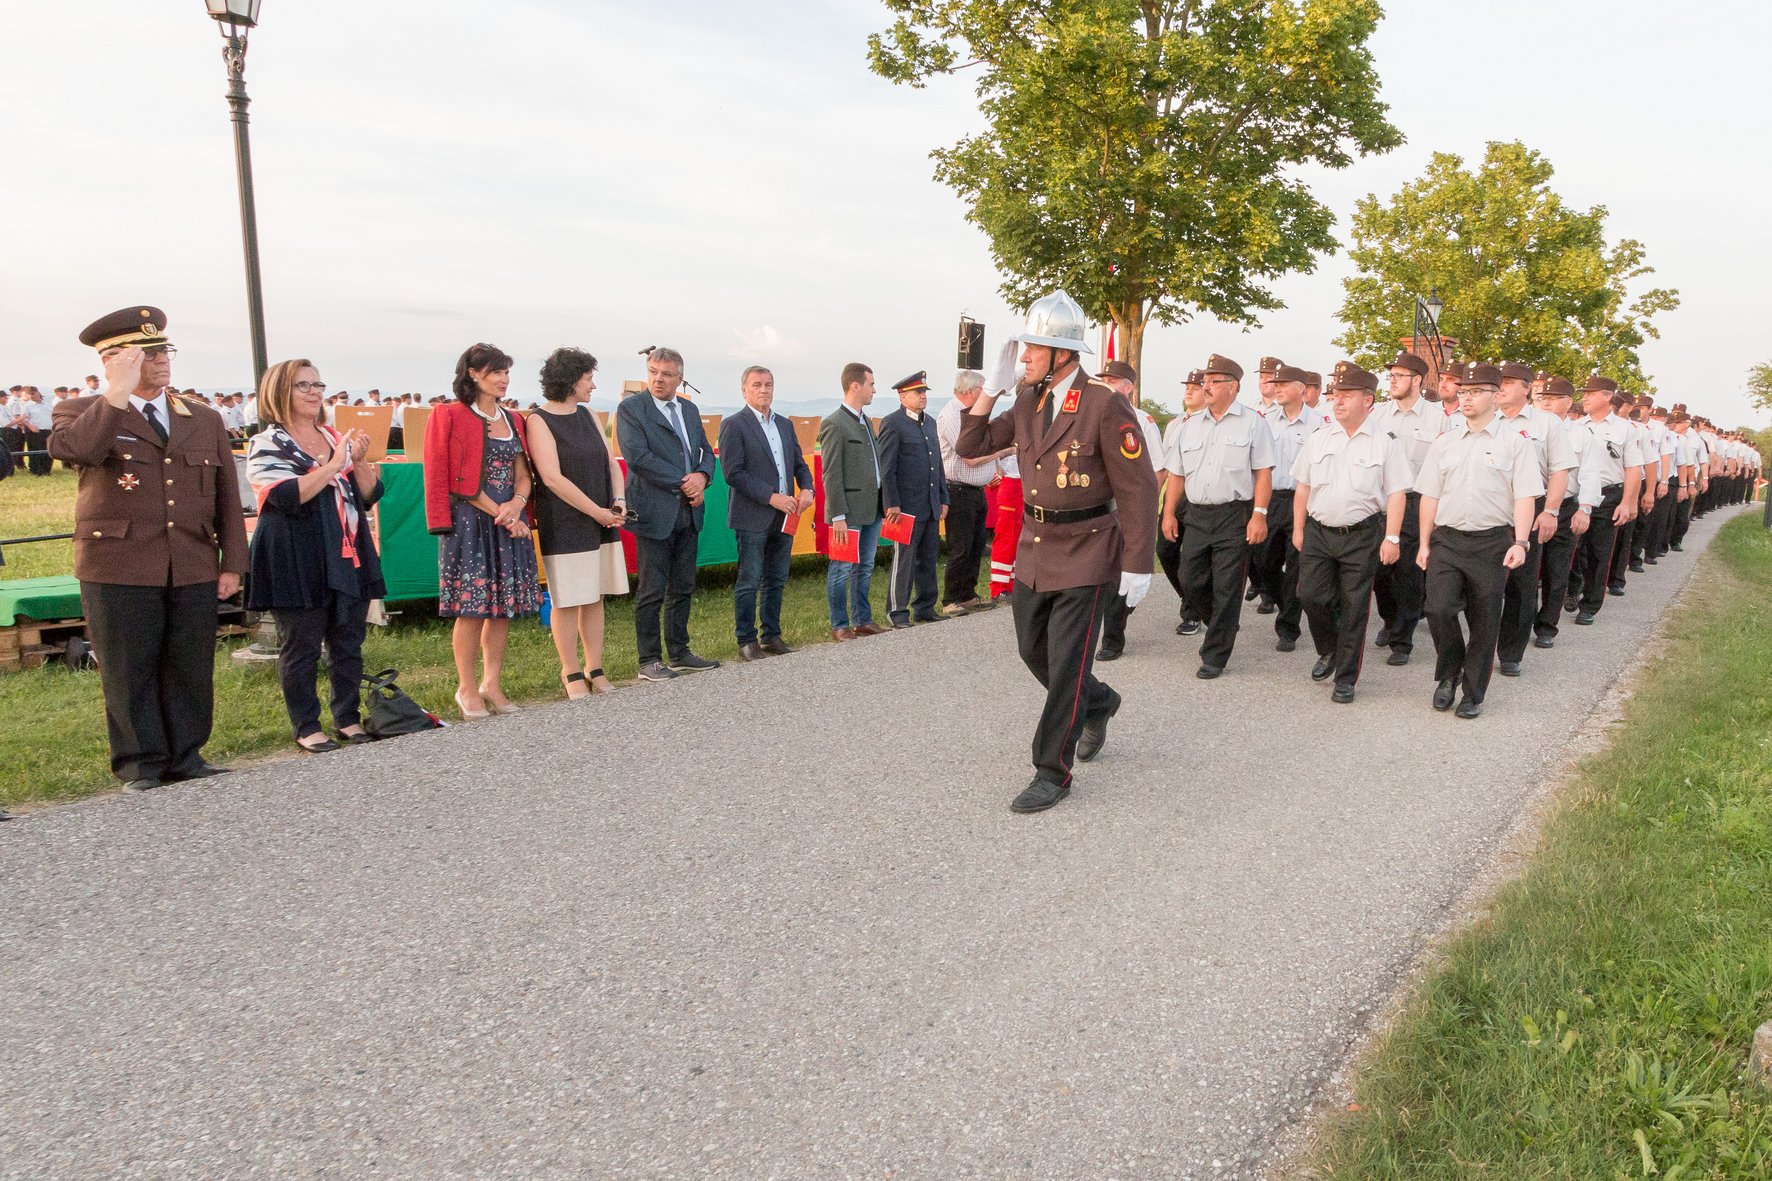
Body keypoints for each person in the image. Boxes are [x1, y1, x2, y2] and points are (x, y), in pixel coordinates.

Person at [957, 290, 1158, 814]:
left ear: (1062, 353)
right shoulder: (1028, 400)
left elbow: (1139, 487)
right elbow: (970, 447)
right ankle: (1100, 701)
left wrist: (1138, 563)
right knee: (1033, 651)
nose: (1023, 356)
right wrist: (992, 389)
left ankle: (1052, 771)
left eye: (1032, 348)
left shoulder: (1102, 403)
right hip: (1036, 547)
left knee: (1067, 665)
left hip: (1089, 550)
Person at [49, 306, 248, 791]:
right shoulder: (82, 412)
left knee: (189, 663)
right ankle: (141, 763)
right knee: (127, 668)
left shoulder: (201, 417)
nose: (162, 360)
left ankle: (187, 755)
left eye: (164, 351)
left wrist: (233, 563)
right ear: (113, 360)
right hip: (118, 562)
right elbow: (77, 451)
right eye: (148, 353)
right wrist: (116, 392)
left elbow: (226, 496)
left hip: (191, 559)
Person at [246, 359, 385, 751]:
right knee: (302, 644)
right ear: (279, 392)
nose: (313, 392)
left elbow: (370, 494)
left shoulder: (333, 436)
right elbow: (285, 495)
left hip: (345, 549)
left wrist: (358, 461)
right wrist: (332, 465)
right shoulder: (266, 443)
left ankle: (347, 718)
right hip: (295, 554)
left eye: (317, 384)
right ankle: (307, 726)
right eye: (302, 385)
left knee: (348, 640)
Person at [1414, 363, 1544, 719]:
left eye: (1475, 392)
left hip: (1491, 542)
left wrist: (1521, 542)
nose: (1466, 398)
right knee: (1438, 609)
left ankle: (1473, 693)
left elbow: (1525, 496)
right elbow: (1430, 495)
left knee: (1485, 621)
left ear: (1495, 395)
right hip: (1448, 540)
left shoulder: (1515, 444)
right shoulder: (1445, 443)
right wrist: (1424, 543)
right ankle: (1449, 673)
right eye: (1463, 392)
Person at [424, 341, 543, 718]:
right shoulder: (449, 414)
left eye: (506, 372)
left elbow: (523, 474)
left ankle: (491, 682)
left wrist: (517, 505)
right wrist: (503, 514)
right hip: (469, 522)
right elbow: (449, 476)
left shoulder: (514, 419)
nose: (504, 379)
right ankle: (465, 687)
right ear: (474, 374)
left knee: (501, 608)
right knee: (472, 608)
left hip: (507, 518)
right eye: (496, 372)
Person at [1290, 362, 1411, 702]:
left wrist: (1392, 537)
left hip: (1361, 534)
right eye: (1335, 394)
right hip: (1318, 531)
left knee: (1355, 606)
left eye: (1346, 395)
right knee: (1310, 596)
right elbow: (1303, 487)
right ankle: (1329, 648)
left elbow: (1397, 492)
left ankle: (1346, 678)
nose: (1337, 400)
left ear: (1368, 400)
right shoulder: (1319, 438)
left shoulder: (1385, 442)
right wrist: (1298, 528)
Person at [1161, 354, 1275, 679]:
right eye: (1205, 381)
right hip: (1196, 513)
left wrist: (1259, 515)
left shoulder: (1253, 423)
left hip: (1233, 515)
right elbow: (1177, 474)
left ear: (1233, 387)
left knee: (1227, 586)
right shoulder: (1189, 426)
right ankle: (1222, 625)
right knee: (1189, 578)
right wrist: (1169, 513)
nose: (1206, 386)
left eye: (1213, 381)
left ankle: (1215, 654)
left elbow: (1263, 473)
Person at [526, 347, 629, 698]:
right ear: (570, 381)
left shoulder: (588, 415)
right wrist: (596, 511)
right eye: (588, 379)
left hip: (602, 516)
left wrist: (618, 501)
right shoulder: (539, 420)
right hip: (565, 520)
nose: (593, 385)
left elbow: (610, 462)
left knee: (595, 595)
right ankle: (570, 671)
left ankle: (594, 668)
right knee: (568, 598)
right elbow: (552, 478)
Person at [614, 346, 720, 680]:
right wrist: (686, 482)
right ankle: (649, 660)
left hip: (688, 512)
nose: (658, 379)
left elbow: (706, 452)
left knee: (683, 586)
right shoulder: (631, 409)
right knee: (651, 590)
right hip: (654, 512)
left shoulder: (689, 410)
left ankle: (680, 652)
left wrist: (702, 477)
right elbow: (638, 458)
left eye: (666, 374)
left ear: (680, 378)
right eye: (653, 372)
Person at [718, 364, 814, 660]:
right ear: (744, 390)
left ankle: (771, 635)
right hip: (752, 515)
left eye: (768, 384)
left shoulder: (784, 424)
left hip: (786, 516)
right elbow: (733, 473)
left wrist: (807, 488)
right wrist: (771, 497)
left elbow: (799, 463)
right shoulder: (734, 425)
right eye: (757, 385)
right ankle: (747, 640)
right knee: (750, 579)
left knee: (777, 578)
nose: (763, 390)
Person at [1493, 362, 1577, 677]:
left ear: (1527, 388)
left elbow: (1560, 470)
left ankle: (1510, 652)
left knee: (1521, 581)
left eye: (1509, 382)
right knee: (1485, 581)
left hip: (1530, 503)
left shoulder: (1546, 424)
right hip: (1490, 505)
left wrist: (1551, 511)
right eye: (1499, 381)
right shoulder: (1485, 417)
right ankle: (1480, 644)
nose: (1501, 387)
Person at [1369, 351, 1449, 665]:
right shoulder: (1378, 415)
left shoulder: (1438, 418)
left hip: (1416, 501)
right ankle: (1390, 620)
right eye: (1391, 375)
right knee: (1379, 572)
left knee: (1408, 574)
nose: (1392, 380)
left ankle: (1402, 640)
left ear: (1416, 380)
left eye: (1399, 376)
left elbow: (1445, 466)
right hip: (1382, 502)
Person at [1095, 359, 1165, 661]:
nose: (1106, 386)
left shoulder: (1141, 421)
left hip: (1126, 510)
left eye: (1112, 381)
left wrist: (1140, 510)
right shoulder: (1091, 415)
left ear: (1128, 388)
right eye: (1104, 380)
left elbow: (1157, 471)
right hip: (1097, 511)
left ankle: (1113, 636)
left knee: (1123, 575)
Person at [1255, 364, 1322, 652]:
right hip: (1271, 500)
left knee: (1296, 566)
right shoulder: (1265, 421)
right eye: (1276, 383)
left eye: (1283, 384)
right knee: (1262, 562)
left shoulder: (1320, 423)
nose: (1277, 387)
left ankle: (1288, 627)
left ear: (1301, 389)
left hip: (1303, 500)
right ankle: (1286, 602)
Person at [819, 362, 888, 641]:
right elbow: (831, 472)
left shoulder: (866, 421)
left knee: (865, 566)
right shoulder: (835, 423)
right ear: (855, 386)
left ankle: (863, 619)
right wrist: (838, 515)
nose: (874, 390)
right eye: (871, 384)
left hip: (871, 508)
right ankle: (839, 624)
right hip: (847, 512)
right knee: (841, 568)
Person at [1567, 376, 1643, 625]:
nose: (1585, 398)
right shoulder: (1575, 426)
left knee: (1598, 552)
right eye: (1584, 393)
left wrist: (1628, 502)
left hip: (1608, 495)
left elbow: (1633, 468)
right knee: (1572, 548)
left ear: (1608, 396)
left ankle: (1590, 605)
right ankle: (1573, 588)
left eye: (1591, 393)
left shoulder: (1626, 429)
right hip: (1577, 494)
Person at [878, 370, 951, 628]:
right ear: (902, 396)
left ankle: (925, 607)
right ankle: (897, 611)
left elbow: (937, 464)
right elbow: (887, 469)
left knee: (928, 558)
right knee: (904, 560)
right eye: (917, 392)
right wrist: (891, 504)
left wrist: (943, 497)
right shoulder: (892, 423)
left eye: (924, 392)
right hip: (905, 506)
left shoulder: (929, 423)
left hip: (929, 503)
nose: (923, 396)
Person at [937, 368, 1007, 614]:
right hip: (958, 490)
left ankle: (967, 594)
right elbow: (969, 455)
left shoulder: (972, 414)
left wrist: (995, 465)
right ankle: (950, 599)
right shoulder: (952, 416)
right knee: (961, 547)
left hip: (976, 490)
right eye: (982, 390)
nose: (985, 394)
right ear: (969, 391)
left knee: (976, 545)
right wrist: (1001, 452)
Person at [1529, 375, 1591, 649]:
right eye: (1543, 398)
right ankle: (1522, 620)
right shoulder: (1529, 426)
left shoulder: (1581, 434)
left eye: (1553, 399)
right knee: (1526, 570)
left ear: (1568, 402)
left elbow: (1589, 474)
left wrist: (1584, 509)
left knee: (1556, 570)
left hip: (1565, 506)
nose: (1546, 403)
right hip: (1531, 503)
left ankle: (1546, 626)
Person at [1155, 369, 1206, 637]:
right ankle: (1190, 598)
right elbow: (1166, 466)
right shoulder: (1175, 424)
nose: (1189, 391)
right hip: (1174, 497)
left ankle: (1192, 612)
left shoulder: (1209, 424)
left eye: (1195, 388)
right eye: (1187, 387)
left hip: (1197, 497)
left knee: (1193, 560)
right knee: (1165, 551)